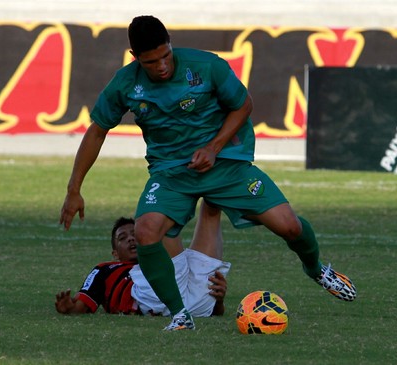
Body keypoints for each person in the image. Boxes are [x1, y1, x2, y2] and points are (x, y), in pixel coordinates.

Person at [59, 15, 356, 331]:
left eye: (165, 56)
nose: (161, 66)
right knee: (145, 232)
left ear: (171, 43)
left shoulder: (206, 66)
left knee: (290, 227)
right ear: (135, 58)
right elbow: (96, 132)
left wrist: (214, 147)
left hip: (225, 163)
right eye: (150, 62)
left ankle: (316, 269)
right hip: (171, 173)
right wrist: (74, 188)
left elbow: (244, 105)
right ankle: (180, 315)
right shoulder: (125, 84)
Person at [55, 201, 230, 317]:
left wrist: (219, 300)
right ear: (115, 253)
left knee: (212, 208)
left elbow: (216, 313)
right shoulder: (104, 270)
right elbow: (80, 307)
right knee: (161, 210)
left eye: (134, 234)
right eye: (122, 238)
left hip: (194, 306)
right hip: (153, 298)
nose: (131, 239)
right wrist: (69, 308)